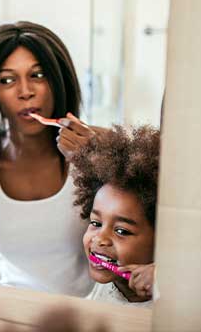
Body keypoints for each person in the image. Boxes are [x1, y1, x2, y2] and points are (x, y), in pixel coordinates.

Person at [0, 21, 95, 297]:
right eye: (7, 80)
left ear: (58, 81)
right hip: (11, 315)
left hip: (86, 315)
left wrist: (95, 159)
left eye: (38, 75)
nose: (25, 91)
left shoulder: (94, 147)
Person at [72, 125, 158, 307]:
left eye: (121, 231)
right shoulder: (109, 283)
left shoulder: (175, 301)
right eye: (96, 222)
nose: (100, 239)